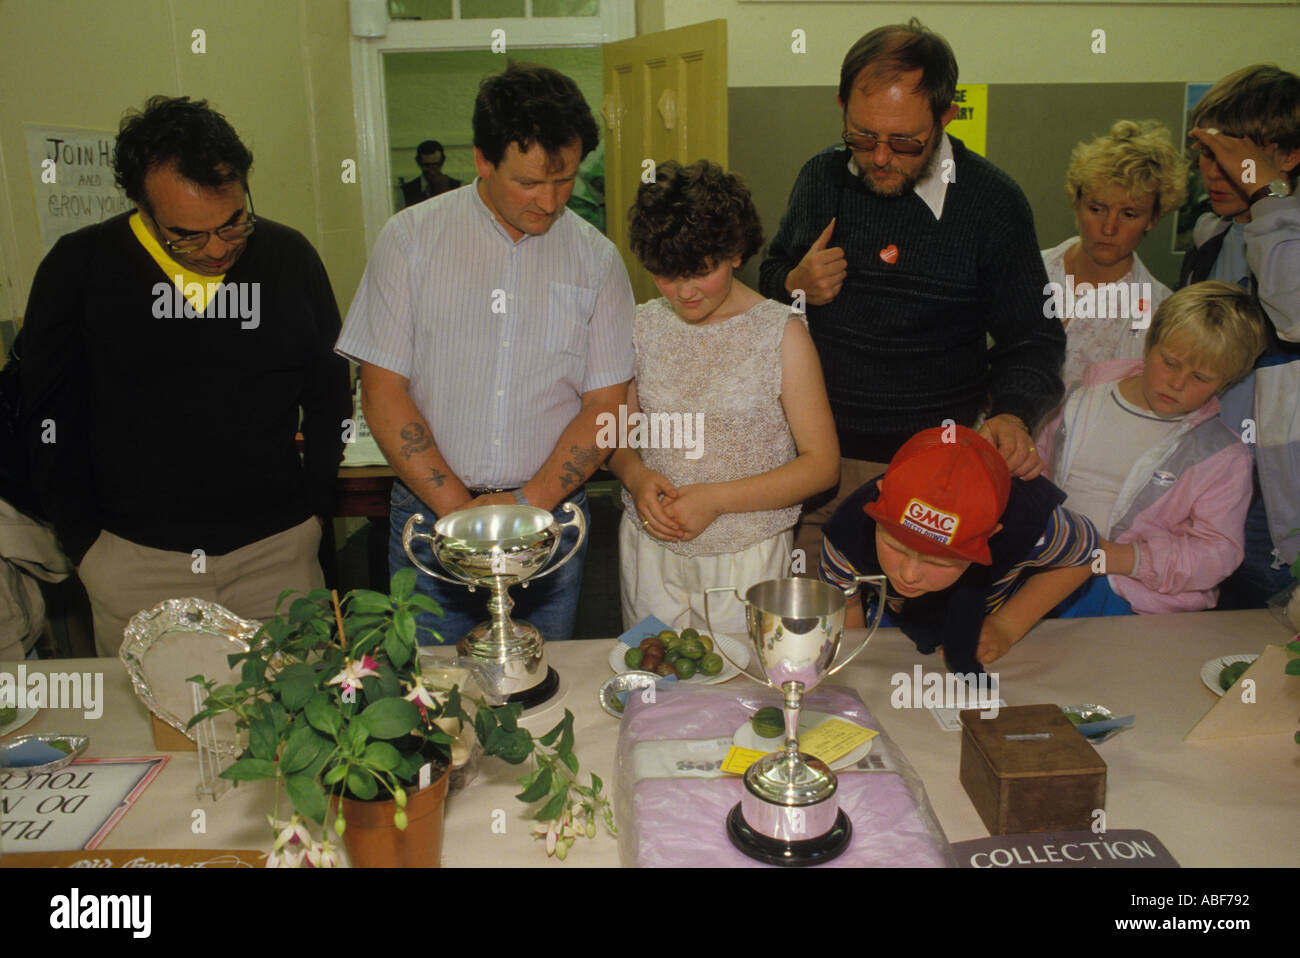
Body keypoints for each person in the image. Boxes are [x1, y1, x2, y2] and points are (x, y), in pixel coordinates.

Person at [19, 95, 351, 655]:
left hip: (277, 555)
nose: (218, 248)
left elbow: (328, 393)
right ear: (141, 206)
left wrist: (314, 512)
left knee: (297, 730)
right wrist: (83, 544)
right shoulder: (79, 269)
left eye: (233, 224)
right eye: (188, 236)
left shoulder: (288, 257)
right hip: (134, 562)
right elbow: (47, 416)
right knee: (157, 738)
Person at [337, 62, 634, 645]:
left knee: (541, 697)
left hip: (549, 519)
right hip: (429, 516)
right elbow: (383, 390)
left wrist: (525, 506)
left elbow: (605, 404)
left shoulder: (596, 260)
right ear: (482, 160)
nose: (549, 202)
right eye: (528, 182)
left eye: (565, 180)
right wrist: (462, 513)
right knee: (434, 705)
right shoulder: (410, 241)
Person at [759, 18, 1066, 568]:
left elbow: (1034, 337)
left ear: (947, 115)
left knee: (912, 634)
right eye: (861, 136)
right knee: (814, 631)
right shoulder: (821, 178)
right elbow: (770, 281)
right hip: (813, 462)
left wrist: (1016, 414)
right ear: (841, 107)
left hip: (933, 471)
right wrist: (793, 285)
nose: (879, 157)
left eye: (904, 141)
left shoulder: (993, 204)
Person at [610, 160, 839, 640]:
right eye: (666, 275)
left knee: (742, 689)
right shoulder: (644, 325)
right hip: (652, 552)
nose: (685, 291)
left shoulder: (781, 333)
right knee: (654, 678)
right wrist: (636, 475)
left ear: (735, 251)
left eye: (701, 272)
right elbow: (616, 437)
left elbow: (821, 465)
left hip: (748, 555)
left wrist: (716, 500)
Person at [1038, 283, 1269, 615]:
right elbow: (1036, 476)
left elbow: (1218, 552)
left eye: (1200, 377)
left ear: (1227, 382)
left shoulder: (1224, 455)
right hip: (1044, 561)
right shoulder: (1077, 400)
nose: (1177, 383)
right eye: (1170, 362)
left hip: (1130, 592)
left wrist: (1122, 558)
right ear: (1149, 344)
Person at [819, 426, 1099, 673]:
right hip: (894, 619)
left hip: (995, 620)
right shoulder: (846, 533)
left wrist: (1008, 625)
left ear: (991, 536)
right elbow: (848, 611)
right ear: (878, 499)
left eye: (939, 562)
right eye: (895, 547)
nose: (910, 574)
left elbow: (1088, 554)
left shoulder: (1035, 526)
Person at [1180, 64, 1300, 609]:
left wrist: (1269, 198)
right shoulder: (1213, 240)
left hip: (1273, 505)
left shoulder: (1284, 246)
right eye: (1205, 156)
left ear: (1287, 155)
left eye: (1229, 159)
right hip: (1209, 484)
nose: (1212, 172)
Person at [1042, 120, 1188, 389]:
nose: (1109, 228)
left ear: (1153, 218)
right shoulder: (1027, 269)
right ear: (1077, 203)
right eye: (1097, 209)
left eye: (1129, 214)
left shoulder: (1160, 313)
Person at [401, 139, 462, 208]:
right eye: (426, 165)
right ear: (419, 163)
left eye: (435, 165)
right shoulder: (407, 190)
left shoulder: (457, 187)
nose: (431, 171)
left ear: (442, 162)